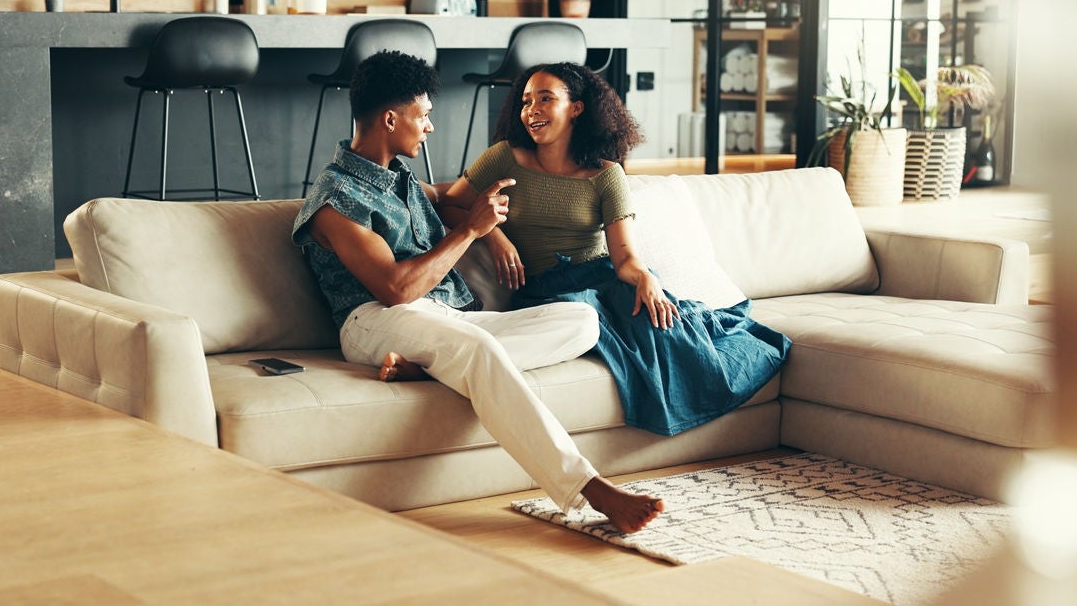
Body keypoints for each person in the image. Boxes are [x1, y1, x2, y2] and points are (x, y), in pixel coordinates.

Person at [291, 51, 663, 533]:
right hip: (373, 320)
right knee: (480, 348)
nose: (429, 128)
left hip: (442, 318)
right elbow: (396, 289)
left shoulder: (397, 180)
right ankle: (588, 488)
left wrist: (493, 209)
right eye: (423, 116)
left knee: (582, 322)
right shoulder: (336, 199)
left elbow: (448, 198)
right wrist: (471, 231)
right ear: (390, 118)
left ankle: (425, 369)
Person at [440, 62, 791, 437]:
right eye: (526, 101)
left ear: (576, 108)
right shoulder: (503, 157)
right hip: (549, 293)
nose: (532, 110)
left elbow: (624, 259)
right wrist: (495, 236)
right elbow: (447, 204)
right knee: (614, 330)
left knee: (670, 333)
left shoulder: (607, 176)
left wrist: (645, 279)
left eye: (546, 99)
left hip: (604, 279)